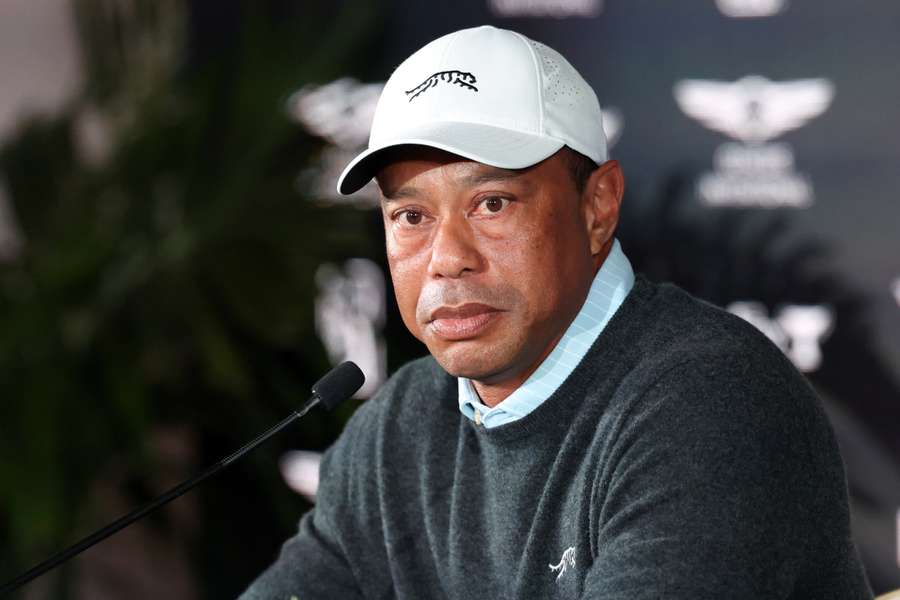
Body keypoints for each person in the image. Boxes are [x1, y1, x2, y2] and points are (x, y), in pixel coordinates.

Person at [241, 25, 872, 599]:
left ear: (598, 206)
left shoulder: (711, 401)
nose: (447, 258)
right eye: (411, 216)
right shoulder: (399, 426)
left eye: (492, 203)